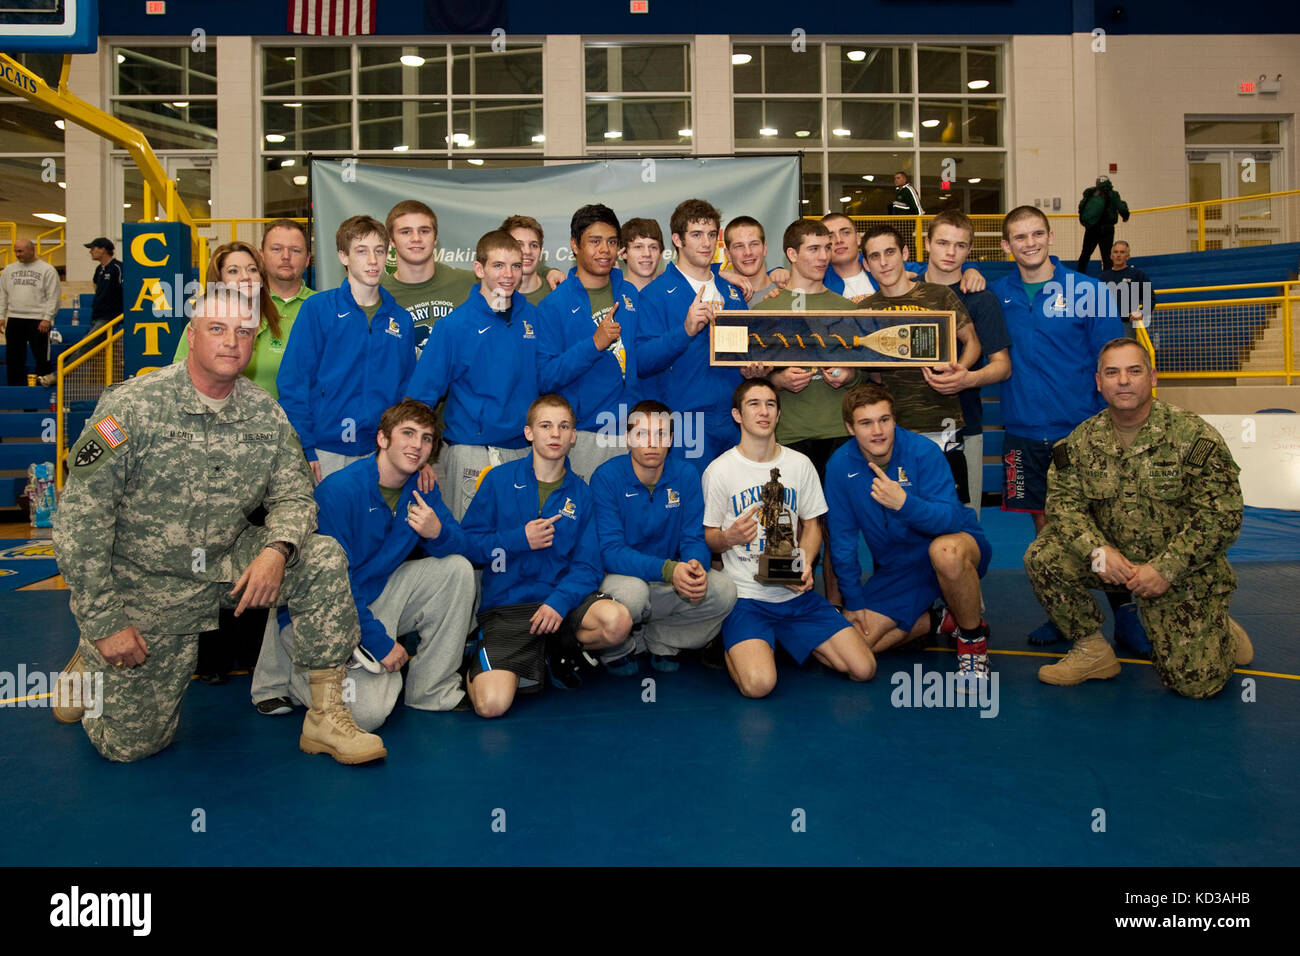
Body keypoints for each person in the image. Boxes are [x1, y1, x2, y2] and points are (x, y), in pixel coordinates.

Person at [50, 286, 385, 765]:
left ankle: (325, 716)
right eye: (218, 329)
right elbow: (81, 520)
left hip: (227, 566)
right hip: (147, 587)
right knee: (130, 747)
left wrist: (277, 550)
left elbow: (294, 494)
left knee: (321, 556)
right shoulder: (133, 406)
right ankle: (92, 654)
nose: (232, 341)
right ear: (192, 336)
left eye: (244, 332)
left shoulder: (264, 413)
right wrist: (104, 622)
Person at [1024, 338, 1253, 695]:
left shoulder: (1193, 437)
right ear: (1099, 382)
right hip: (1115, 560)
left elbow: (1222, 517)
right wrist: (1097, 550)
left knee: (1197, 685)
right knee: (1043, 556)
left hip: (1178, 569)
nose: (1124, 381)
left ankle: (1216, 624)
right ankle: (1092, 650)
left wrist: (1166, 568)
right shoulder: (1081, 441)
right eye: (1112, 373)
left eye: (1134, 370)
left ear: (1153, 377)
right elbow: (1064, 505)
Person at [252, 399, 475, 724]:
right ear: (383, 439)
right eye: (408, 433)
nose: (417, 444)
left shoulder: (422, 489)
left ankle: (430, 691)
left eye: (426, 438)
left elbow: (463, 547)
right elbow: (336, 584)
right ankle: (299, 676)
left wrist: (438, 532)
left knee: (458, 570)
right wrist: (382, 645)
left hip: (375, 595)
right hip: (323, 609)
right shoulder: (339, 492)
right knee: (367, 716)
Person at [990, 206, 1128, 648]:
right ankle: (1064, 613)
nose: (1029, 243)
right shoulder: (996, 295)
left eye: (1036, 234)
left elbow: (1113, 359)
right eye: (1019, 237)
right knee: (1046, 529)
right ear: (1006, 245)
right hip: (1024, 430)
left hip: (1082, 431)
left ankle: (1126, 616)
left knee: (1102, 524)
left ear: (1050, 238)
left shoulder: (1087, 290)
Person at [459, 393, 633, 717]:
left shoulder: (582, 494)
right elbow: (467, 545)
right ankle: (479, 659)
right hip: (508, 609)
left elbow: (588, 566)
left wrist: (559, 601)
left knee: (617, 622)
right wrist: (517, 539)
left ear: (573, 436)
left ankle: (556, 651)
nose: (555, 434)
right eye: (546, 425)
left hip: (559, 605)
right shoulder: (498, 480)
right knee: (491, 705)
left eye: (563, 426)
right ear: (529, 433)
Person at [703, 378, 877, 697]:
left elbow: (812, 525)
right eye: (753, 404)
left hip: (796, 595)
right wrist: (728, 537)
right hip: (747, 599)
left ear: (779, 414)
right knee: (759, 686)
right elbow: (710, 538)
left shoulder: (800, 464)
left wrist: (806, 565)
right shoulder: (720, 470)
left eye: (770, 404)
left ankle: (786, 638)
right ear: (737, 415)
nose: (764, 411)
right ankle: (728, 643)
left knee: (863, 669)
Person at [825, 384, 993, 682]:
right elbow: (842, 541)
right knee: (855, 648)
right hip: (901, 569)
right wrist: (853, 602)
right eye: (866, 423)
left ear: (894, 420)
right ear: (850, 428)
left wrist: (904, 504)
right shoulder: (840, 466)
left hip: (955, 548)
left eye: (884, 420)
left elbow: (951, 519)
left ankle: (972, 640)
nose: (878, 431)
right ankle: (941, 620)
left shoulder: (922, 451)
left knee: (944, 552)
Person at [753, 218, 857, 603]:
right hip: (790, 434)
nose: (823, 256)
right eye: (813, 249)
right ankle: (789, 608)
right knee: (788, 530)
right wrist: (778, 381)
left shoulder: (844, 307)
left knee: (836, 532)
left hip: (836, 432)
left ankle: (832, 611)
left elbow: (861, 374)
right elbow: (752, 376)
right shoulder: (768, 308)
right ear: (792, 254)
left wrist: (848, 373)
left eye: (827, 247)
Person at [591, 400, 738, 674]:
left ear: (670, 439)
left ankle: (661, 640)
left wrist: (694, 565)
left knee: (724, 590)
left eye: (660, 434)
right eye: (642, 434)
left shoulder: (685, 475)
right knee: (634, 594)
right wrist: (669, 569)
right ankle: (618, 648)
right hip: (621, 581)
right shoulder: (606, 477)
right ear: (628, 438)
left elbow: (694, 537)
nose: (651, 443)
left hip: (666, 581)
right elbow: (610, 551)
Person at [405, 230, 539, 520]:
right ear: (479, 269)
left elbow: (551, 377)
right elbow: (419, 399)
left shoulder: (533, 319)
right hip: (473, 452)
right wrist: (418, 457)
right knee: (471, 546)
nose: (509, 274)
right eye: (498, 265)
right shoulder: (453, 327)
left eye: (516, 266)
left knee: (522, 544)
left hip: (524, 450)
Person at [277, 214, 416, 482]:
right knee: (324, 525)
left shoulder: (400, 320)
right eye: (361, 251)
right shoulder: (317, 309)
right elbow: (294, 384)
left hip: (381, 453)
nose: (373, 261)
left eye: (379, 251)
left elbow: (405, 392)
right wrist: (305, 447)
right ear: (343, 256)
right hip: (324, 449)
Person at [858, 224, 981, 500]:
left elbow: (971, 341)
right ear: (866, 264)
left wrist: (959, 370)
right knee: (903, 515)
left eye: (890, 252)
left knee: (949, 514)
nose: (884, 262)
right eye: (875, 256)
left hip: (942, 423)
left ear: (904, 253)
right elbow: (869, 371)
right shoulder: (864, 310)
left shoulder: (938, 295)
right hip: (892, 430)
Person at [637, 198, 752, 476]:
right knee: (694, 510)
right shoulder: (655, 294)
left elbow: (745, 352)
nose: (706, 243)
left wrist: (753, 370)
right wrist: (685, 331)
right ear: (677, 239)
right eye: (696, 235)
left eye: (712, 234)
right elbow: (641, 361)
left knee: (738, 510)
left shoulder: (732, 292)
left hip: (735, 418)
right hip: (687, 421)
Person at [536, 204, 644, 480]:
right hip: (583, 436)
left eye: (611, 242)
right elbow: (545, 378)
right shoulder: (553, 306)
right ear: (575, 245)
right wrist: (594, 344)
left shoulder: (629, 292)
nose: (604, 250)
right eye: (594, 241)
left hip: (630, 434)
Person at [921, 210, 1013, 514]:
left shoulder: (981, 298)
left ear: (969, 250)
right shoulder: (903, 289)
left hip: (964, 425)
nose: (950, 252)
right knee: (908, 524)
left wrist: (967, 379)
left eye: (960, 246)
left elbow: (1003, 365)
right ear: (927, 244)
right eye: (943, 243)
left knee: (964, 524)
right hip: (908, 427)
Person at [174, 241, 290, 397]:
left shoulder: (287, 326)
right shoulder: (200, 324)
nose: (245, 277)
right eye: (233, 271)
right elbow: (180, 379)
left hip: (269, 418)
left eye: (252, 270)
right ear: (219, 280)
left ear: (262, 280)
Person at [380, 200, 478, 356]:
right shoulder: (378, 295)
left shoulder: (471, 283)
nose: (416, 238)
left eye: (424, 231)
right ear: (391, 241)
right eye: (406, 232)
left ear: (435, 238)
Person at [0, 238, 60, 387]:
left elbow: (54, 296)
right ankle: (16, 391)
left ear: (31, 250)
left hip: (38, 320)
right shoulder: (9, 270)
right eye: (15, 251)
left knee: (41, 359)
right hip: (15, 318)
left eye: (20, 251)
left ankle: (42, 390)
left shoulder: (47, 269)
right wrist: (1, 316)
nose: (17, 254)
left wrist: (47, 318)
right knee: (14, 359)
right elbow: (3, 295)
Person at [260, 218, 315, 326]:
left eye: (295, 250)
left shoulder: (323, 307)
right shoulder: (245, 304)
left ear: (307, 259)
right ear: (261, 255)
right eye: (276, 249)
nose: (286, 256)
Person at [1098, 240, 1154, 337]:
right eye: (1115, 252)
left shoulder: (1137, 275)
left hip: (1127, 324)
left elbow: (1149, 297)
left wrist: (1142, 312)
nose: (1118, 255)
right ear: (1111, 256)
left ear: (1128, 256)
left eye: (1122, 252)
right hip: (1107, 325)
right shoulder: (1103, 277)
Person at [1077, 175, 1130, 274]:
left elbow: (1081, 208)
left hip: (1091, 229)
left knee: (1085, 254)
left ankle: (1079, 276)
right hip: (1107, 229)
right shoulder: (1113, 194)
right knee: (1107, 256)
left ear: (1097, 184)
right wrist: (1125, 217)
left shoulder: (1091, 193)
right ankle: (1108, 279)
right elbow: (1122, 208)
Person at [820, 213, 877, 302]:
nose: (839, 240)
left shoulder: (881, 268)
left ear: (858, 239)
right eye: (830, 236)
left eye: (846, 233)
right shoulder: (817, 281)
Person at [723, 215, 779, 302]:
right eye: (739, 246)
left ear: (765, 248)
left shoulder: (785, 290)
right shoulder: (718, 296)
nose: (748, 252)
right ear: (728, 255)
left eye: (754, 244)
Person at [501, 214, 552, 306]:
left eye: (534, 245)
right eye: (519, 245)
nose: (527, 251)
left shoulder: (556, 292)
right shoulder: (489, 291)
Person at [84, 237, 123, 335]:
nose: (90, 252)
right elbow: (96, 287)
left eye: (93, 248)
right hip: (97, 315)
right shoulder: (99, 269)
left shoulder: (117, 267)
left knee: (87, 345)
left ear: (103, 249)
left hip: (110, 316)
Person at [619, 217, 665, 292]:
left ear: (661, 253)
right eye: (638, 247)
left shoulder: (675, 293)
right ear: (623, 253)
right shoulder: (613, 295)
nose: (647, 254)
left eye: (653, 247)